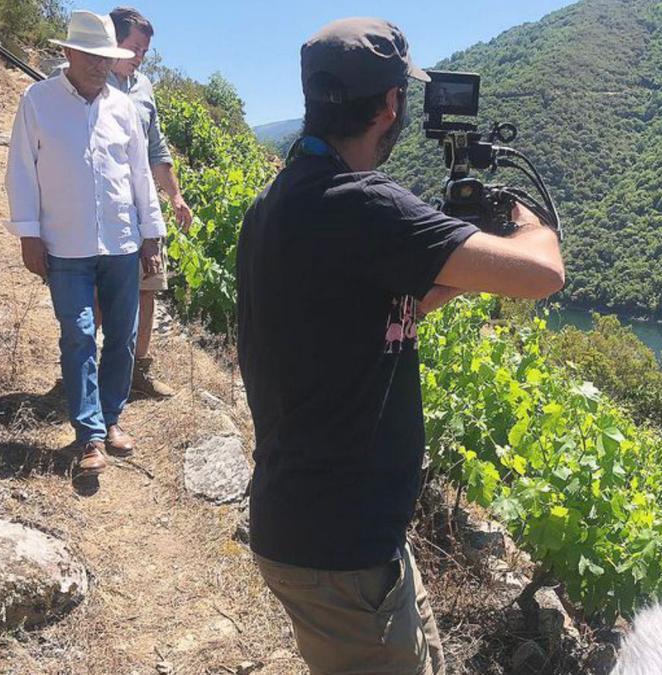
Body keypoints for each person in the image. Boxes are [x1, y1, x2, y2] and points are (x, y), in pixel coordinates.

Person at [236, 17, 565, 675]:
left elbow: (389, 308)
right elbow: (543, 273)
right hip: (342, 550)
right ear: (390, 105)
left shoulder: (280, 200)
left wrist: (454, 259)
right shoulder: (365, 204)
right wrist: (523, 218)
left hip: (322, 527)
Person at [5, 10, 166, 474]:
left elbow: (140, 175)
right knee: (77, 335)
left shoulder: (123, 108)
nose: (100, 65)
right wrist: (28, 233)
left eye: (106, 57)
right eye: (92, 56)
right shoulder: (37, 102)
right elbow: (20, 170)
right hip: (65, 244)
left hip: (120, 241)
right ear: (68, 53)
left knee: (122, 336)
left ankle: (111, 419)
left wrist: (151, 234)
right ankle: (89, 434)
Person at [107, 7, 195, 399]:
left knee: (148, 286)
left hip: (143, 208)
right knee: (97, 292)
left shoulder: (144, 88)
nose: (140, 56)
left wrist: (175, 195)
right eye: (135, 47)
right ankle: (90, 373)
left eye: (144, 50)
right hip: (103, 209)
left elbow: (158, 149)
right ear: (113, 42)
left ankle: (138, 371)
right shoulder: (87, 80)